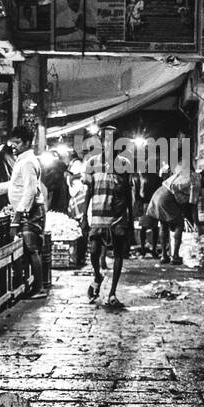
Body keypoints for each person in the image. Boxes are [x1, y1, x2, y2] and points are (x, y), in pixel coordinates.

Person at [0, 125, 47, 299]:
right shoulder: (22, 160)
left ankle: (39, 288)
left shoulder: (28, 162)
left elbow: (30, 191)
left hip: (31, 212)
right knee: (29, 249)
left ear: (28, 143)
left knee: (32, 249)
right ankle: (34, 285)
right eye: (12, 142)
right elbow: (14, 186)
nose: (14, 145)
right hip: (25, 211)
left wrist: (18, 216)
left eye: (18, 142)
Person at [82, 126, 134, 307]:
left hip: (118, 216)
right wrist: (83, 216)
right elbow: (89, 190)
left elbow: (128, 194)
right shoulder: (92, 163)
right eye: (105, 139)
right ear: (101, 142)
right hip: (97, 215)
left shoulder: (124, 164)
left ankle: (112, 293)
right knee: (94, 251)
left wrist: (131, 219)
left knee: (119, 253)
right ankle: (97, 276)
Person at [146, 162, 197, 265]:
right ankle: (175, 256)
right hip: (166, 197)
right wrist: (197, 223)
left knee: (164, 225)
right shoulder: (196, 179)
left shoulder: (180, 175)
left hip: (158, 194)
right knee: (179, 223)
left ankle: (164, 256)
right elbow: (193, 204)